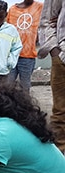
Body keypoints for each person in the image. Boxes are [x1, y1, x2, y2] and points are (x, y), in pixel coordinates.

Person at [38, 0, 65, 153]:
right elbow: (47, 20)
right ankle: (59, 162)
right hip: (63, 57)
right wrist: (55, 51)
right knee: (61, 113)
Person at [7, 0, 43, 92]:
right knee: (8, 85)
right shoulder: (12, 10)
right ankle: (8, 105)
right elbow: (7, 31)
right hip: (11, 55)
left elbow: (48, 21)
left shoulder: (40, 7)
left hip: (28, 55)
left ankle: (24, 105)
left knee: (25, 86)